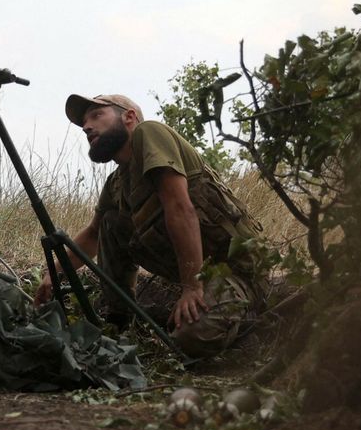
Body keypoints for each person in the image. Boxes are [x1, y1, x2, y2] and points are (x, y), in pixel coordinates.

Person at [34, 94, 269, 358]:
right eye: (84, 122)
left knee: (191, 338)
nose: (87, 126)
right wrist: (54, 274)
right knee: (109, 223)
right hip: (203, 274)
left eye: (97, 115)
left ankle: (252, 315)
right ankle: (118, 321)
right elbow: (93, 235)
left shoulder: (150, 133)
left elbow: (181, 208)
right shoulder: (116, 183)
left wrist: (191, 287)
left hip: (237, 270)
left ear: (129, 117)